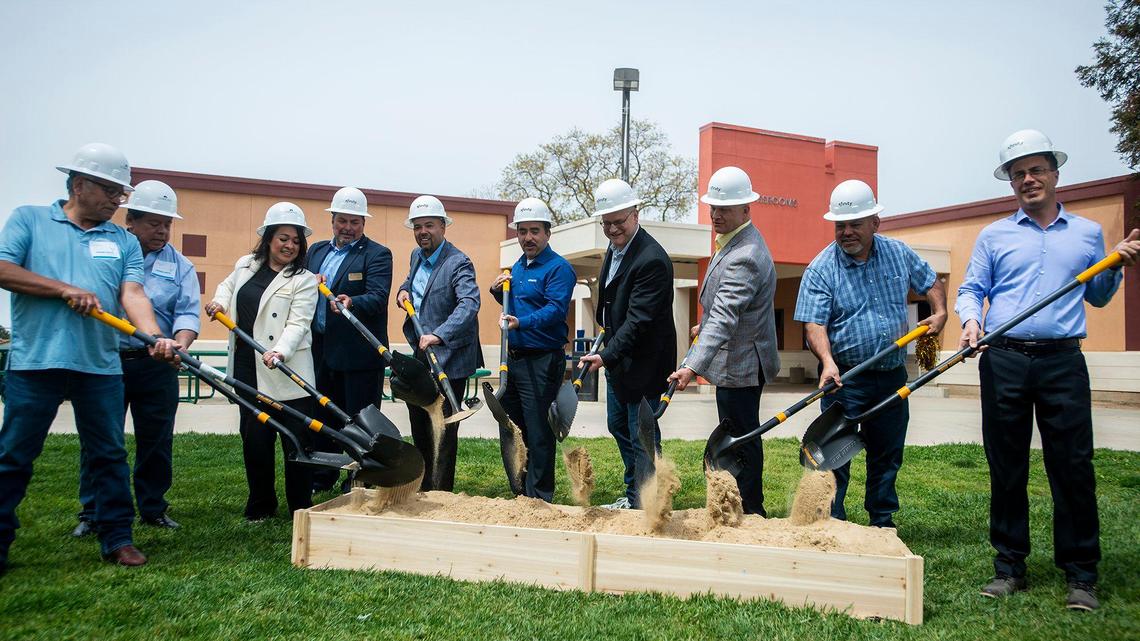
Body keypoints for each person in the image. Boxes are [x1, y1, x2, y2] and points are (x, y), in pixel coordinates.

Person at [957, 129, 1140, 611]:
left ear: (1055, 175)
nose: (1028, 179)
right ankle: (1009, 567)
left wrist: (1115, 264)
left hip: (1062, 360)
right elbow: (971, 289)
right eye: (1019, 173)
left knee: (1073, 466)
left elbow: (1097, 296)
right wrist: (973, 321)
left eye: (1037, 170)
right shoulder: (994, 234)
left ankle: (1081, 575)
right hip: (1005, 357)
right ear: (1011, 183)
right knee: (1007, 464)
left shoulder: (1085, 233)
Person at [0, 143, 178, 571]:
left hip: (99, 366)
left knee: (109, 453)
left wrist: (154, 337)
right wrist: (63, 289)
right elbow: (4, 268)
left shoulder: (121, 239)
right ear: (80, 185)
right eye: (112, 191)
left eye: (121, 193)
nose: (120, 200)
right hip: (36, 362)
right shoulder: (30, 220)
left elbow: (132, 294)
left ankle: (117, 537)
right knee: (15, 454)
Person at [794, 179, 946, 528]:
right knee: (832, 455)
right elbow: (814, 326)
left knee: (887, 453)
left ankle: (882, 520)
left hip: (892, 375)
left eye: (854, 224)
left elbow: (930, 282)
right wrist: (828, 362)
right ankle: (831, 522)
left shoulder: (898, 253)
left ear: (875, 223)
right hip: (844, 379)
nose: (846, 232)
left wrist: (938, 311)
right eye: (840, 226)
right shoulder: (821, 268)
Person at [72, 180, 200, 537]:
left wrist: (180, 344)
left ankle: (153, 507)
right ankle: (92, 512)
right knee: (101, 438)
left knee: (156, 440)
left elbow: (188, 314)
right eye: (154, 223)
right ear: (132, 220)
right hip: (107, 361)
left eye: (167, 224)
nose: (162, 231)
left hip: (157, 365)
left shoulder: (181, 266)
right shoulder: (107, 250)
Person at [667, 167, 779, 516]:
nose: (716, 214)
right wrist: (707, 324)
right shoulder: (733, 242)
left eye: (725, 208)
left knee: (741, 437)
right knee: (740, 432)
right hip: (740, 354)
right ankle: (746, 506)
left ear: (747, 209)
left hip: (744, 361)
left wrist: (690, 366)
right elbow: (729, 308)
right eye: (713, 207)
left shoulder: (745, 254)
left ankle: (751, 510)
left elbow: (726, 315)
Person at [205, 202, 319, 521]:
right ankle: (260, 505)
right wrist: (219, 303)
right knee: (255, 441)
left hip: (287, 372)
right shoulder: (246, 265)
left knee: (296, 442)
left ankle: (300, 506)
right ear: (269, 238)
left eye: (296, 241)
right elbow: (228, 288)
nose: (290, 246)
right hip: (247, 366)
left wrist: (279, 351)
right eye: (284, 238)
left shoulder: (304, 280)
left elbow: (298, 323)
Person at [579, 179, 676, 509]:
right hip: (620, 360)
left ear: (636, 214)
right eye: (606, 223)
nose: (612, 229)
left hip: (646, 364)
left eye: (619, 221)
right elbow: (611, 305)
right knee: (618, 424)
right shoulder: (615, 248)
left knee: (642, 436)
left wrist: (605, 356)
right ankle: (636, 491)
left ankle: (647, 504)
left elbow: (638, 321)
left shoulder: (651, 260)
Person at [305, 187, 392, 493]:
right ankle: (322, 477)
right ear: (332, 220)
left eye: (355, 222)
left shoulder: (377, 254)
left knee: (361, 422)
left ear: (363, 224)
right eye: (343, 220)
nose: (348, 228)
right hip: (319, 353)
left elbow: (378, 297)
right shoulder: (315, 251)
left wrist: (352, 301)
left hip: (359, 357)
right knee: (322, 419)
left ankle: (360, 478)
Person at [489, 198, 576, 501]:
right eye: (522, 231)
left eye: (534, 231)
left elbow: (554, 310)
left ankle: (540, 498)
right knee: (516, 429)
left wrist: (520, 322)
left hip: (542, 361)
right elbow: (516, 303)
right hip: (513, 360)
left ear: (548, 233)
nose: (527, 237)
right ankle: (520, 493)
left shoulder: (558, 268)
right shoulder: (517, 267)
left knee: (539, 433)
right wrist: (496, 292)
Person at [395, 195, 481, 492]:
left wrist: (440, 334)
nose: (422, 232)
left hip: (449, 356)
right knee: (419, 424)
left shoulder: (459, 262)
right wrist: (403, 290)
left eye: (429, 225)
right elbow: (412, 281)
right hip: (421, 353)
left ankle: (441, 493)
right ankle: (423, 486)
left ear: (443, 226)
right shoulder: (416, 256)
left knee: (443, 430)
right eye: (417, 226)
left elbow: (469, 304)